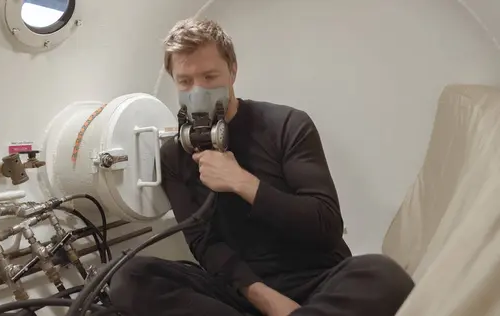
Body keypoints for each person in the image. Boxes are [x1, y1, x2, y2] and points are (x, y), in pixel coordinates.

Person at [109, 18, 415, 316]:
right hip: (241, 292)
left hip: (316, 279)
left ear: (233, 71)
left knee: (384, 276)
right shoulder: (173, 155)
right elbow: (205, 244)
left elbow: (326, 224)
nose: (197, 91)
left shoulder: (287, 125)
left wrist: (243, 183)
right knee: (131, 278)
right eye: (185, 81)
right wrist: (266, 299)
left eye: (210, 77)